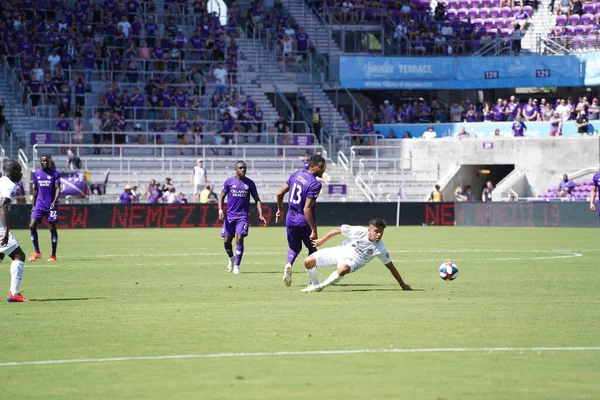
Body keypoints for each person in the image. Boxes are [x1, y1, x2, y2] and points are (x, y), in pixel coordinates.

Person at [301, 218, 411, 292]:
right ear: (369, 230)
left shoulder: (380, 249)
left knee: (343, 268)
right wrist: (322, 241)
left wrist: (403, 285)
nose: (378, 235)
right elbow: (338, 230)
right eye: (376, 231)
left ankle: (321, 287)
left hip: (352, 262)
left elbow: (391, 267)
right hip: (339, 251)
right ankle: (315, 284)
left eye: (381, 232)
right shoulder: (359, 231)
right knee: (308, 261)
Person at [276, 154, 327, 287]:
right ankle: (313, 280)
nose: (324, 170)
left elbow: (279, 193)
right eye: (321, 167)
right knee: (312, 250)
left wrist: (280, 210)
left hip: (290, 220)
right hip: (304, 221)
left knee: (294, 248)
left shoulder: (296, 174)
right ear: (313, 166)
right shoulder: (315, 184)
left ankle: (288, 264)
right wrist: (313, 230)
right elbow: (307, 209)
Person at [218, 161, 267, 274]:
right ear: (235, 169)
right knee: (226, 241)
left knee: (239, 238)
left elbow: (257, 199)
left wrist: (260, 214)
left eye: (244, 168)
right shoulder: (229, 182)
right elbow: (221, 197)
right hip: (230, 216)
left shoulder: (250, 183)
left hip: (243, 216)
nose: (243, 170)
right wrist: (220, 210)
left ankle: (237, 266)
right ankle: (231, 257)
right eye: (240, 168)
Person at [0, 160, 28, 302]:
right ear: (13, 171)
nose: (21, 174)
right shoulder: (9, 185)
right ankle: (14, 293)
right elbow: (3, 205)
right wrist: (5, 230)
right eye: (19, 171)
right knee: (19, 255)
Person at [28, 155, 61, 262]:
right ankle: (37, 252)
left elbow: (58, 189)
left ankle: (53, 255)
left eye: (46, 161)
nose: (45, 163)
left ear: (49, 161)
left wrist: (54, 202)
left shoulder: (55, 173)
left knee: (52, 228)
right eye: (43, 161)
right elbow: (35, 190)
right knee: (32, 226)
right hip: (39, 205)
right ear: (40, 162)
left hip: (51, 205)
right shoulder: (36, 174)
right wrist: (33, 205)